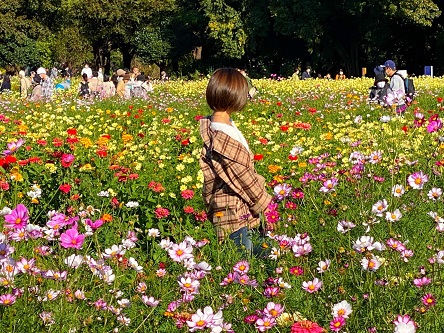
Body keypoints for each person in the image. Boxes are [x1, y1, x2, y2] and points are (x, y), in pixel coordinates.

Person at [199, 68, 272, 252]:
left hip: (236, 213)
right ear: (235, 96)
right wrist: (268, 208)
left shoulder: (220, 126)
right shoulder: (222, 139)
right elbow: (245, 179)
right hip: (236, 217)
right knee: (245, 269)